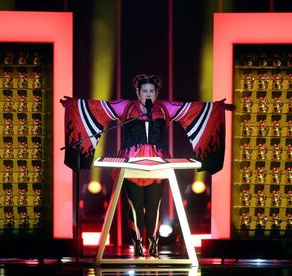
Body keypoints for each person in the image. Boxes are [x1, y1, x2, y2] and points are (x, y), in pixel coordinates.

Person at [62, 74, 233, 259]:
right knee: (135, 206)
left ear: (157, 93)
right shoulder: (125, 107)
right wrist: (73, 105)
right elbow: (98, 107)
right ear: (138, 92)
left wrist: (217, 107)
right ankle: (137, 245)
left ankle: (153, 245)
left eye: (152, 91)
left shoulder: (165, 108)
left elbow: (192, 109)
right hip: (130, 163)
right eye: (144, 91)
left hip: (158, 164)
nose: (148, 94)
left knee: (153, 207)